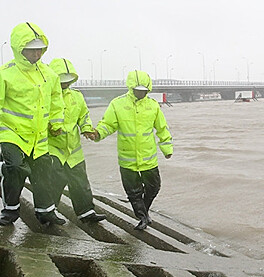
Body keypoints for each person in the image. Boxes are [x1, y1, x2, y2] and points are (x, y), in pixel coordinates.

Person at [0, 22, 66, 226]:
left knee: (43, 172)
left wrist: (56, 123)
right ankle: (10, 210)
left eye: (40, 49)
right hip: (12, 133)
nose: (37, 54)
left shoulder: (49, 75)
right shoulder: (4, 73)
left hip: (38, 137)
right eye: (32, 50)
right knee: (14, 168)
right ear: (19, 49)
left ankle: (45, 211)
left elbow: (57, 100)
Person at [89, 70, 173, 230]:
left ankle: (144, 212)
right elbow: (108, 124)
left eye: (144, 91)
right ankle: (142, 217)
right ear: (131, 88)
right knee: (134, 193)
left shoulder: (153, 106)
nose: (141, 93)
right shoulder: (117, 104)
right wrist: (97, 133)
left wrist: (167, 148)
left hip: (149, 158)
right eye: (138, 90)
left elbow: (162, 129)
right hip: (127, 160)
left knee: (154, 187)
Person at [47, 58, 106, 223]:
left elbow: (84, 116)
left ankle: (86, 212)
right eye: (61, 80)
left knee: (80, 182)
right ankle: (48, 213)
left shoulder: (77, 96)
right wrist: (49, 128)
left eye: (68, 80)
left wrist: (87, 129)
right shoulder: (46, 96)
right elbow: (38, 117)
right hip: (53, 147)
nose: (65, 84)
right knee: (54, 181)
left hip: (73, 150)